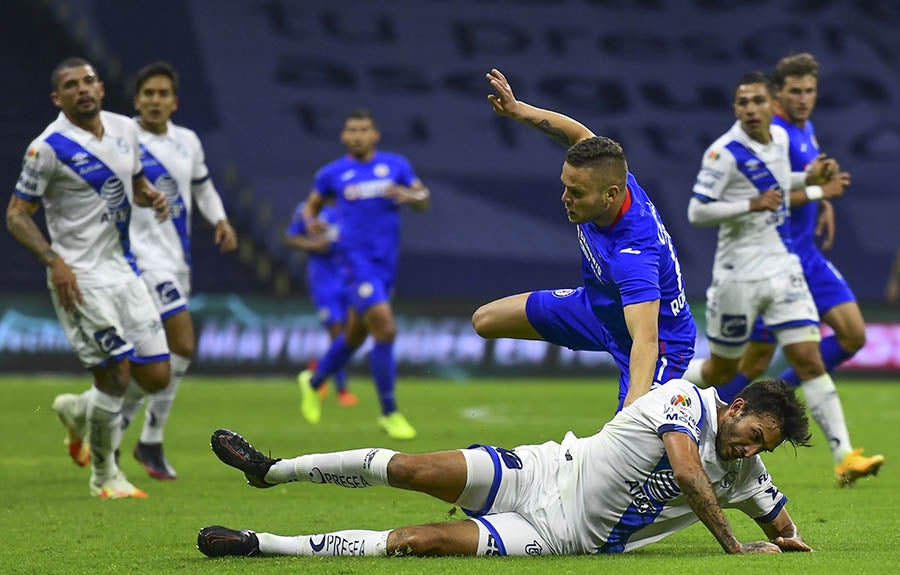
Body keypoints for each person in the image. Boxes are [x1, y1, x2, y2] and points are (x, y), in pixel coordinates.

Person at [197, 377, 813, 558]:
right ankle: (271, 470)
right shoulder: (684, 399)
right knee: (411, 468)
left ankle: (259, 545)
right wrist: (734, 547)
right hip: (544, 472)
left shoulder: (746, 472)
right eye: (753, 436)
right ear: (733, 409)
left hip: (556, 536)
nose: (752, 452)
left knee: (417, 541)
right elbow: (684, 471)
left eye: (765, 448)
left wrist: (784, 538)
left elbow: (782, 524)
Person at [682, 71, 880, 486]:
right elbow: (698, 212)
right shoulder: (724, 153)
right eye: (742, 103)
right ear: (736, 107)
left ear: (772, 106)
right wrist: (750, 204)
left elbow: (777, 182)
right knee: (722, 370)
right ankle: (659, 394)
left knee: (808, 358)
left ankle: (845, 456)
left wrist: (809, 181)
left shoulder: (784, 141)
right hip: (738, 277)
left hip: (782, 268)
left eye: (757, 101)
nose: (750, 110)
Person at [472, 69, 696, 411]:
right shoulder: (609, 174)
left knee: (629, 448)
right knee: (484, 321)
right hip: (596, 309)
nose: (564, 197)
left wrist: (634, 409)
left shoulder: (634, 254)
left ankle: (696, 404)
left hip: (656, 341)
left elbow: (647, 341)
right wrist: (519, 110)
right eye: (565, 185)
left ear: (610, 195)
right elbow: (578, 133)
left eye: (575, 192)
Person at [6, 57, 170, 499]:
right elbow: (17, 215)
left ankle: (80, 411)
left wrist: (150, 195)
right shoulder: (48, 148)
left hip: (123, 269)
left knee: (156, 374)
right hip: (78, 277)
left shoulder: (124, 130)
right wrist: (52, 260)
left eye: (90, 81)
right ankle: (104, 475)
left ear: (101, 88)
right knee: (115, 376)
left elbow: (133, 181)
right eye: (72, 85)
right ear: (57, 98)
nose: (83, 89)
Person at [113, 61, 238, 481]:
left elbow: (202, 186)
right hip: (138, 257)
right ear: (136, 100)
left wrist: (219, 219)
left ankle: (116, 426)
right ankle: (144, 436)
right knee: (182, 343)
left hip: (176, 259)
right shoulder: (120, 137)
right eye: (148, 93)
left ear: (174, 101)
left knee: (153, 362)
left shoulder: (188, 141)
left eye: (163, 93)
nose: (155, 100)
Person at [296, 108, 430, 439]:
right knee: (384, 328)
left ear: (375, 135)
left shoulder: (395, 165)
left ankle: (313, 381)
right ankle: (389, 412)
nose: (357, 135)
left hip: (385, 263)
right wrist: (311, 220)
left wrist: (410, 195)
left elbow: (424, 198)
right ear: (344, 136)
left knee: (355, 335)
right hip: (354, 262)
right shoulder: (332, 173)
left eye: (363, 129)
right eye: (351, 129)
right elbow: (311, 205)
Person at [284, 198, 356, 406]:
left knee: (349, 333)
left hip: (347, 276)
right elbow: (290, 237)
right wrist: (313, 245)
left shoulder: (350, 207)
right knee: (337, 332)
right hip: (323, 280)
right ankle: (341, 390)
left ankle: (319, 371)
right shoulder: (308, 210)